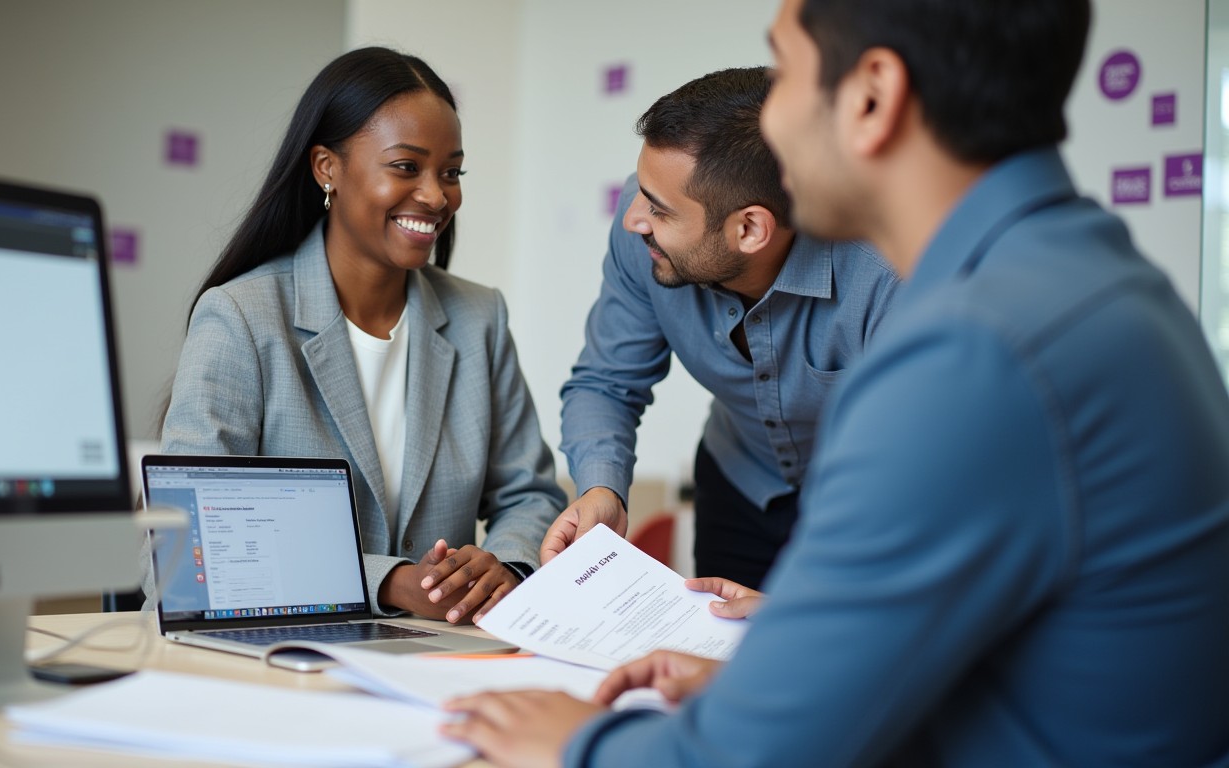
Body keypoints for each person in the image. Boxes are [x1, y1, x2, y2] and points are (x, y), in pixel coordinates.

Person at [441, 1, 1229, 765]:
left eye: (784, 72)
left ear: (873, 97)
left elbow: (745, 755)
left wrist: (581, 743)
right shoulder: (1091, 283)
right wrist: (772, 675)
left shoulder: (972, 352)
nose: (768, 123)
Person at [159, 47, 564, 624]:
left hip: (445, 656)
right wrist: (392, 581)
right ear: (327, 167)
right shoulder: (241, 317)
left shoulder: (481, 319)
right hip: (282, 650)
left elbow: (530, 494)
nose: (435, 195)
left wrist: (500, 566)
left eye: (451, 172)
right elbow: (195, 536)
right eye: (406, 166)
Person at [541, 67, 899, 588]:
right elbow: (607, 382)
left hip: (871, 503)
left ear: (750, 228)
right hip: (738, 483)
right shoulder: (645, 224)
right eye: (641, 194)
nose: (633, 219)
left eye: (659, 211)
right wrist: (602, 490)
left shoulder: (889, 273)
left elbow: (921, 465)